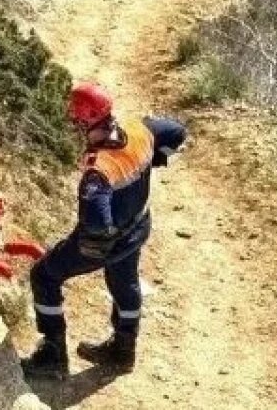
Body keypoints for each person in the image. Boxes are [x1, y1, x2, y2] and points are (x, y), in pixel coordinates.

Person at [22, 83, 187, 381]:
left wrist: (97, 241)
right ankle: (124, 351)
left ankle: (52, 355)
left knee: (44, 275)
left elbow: (97, 220)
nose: (73, 127)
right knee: (126, 283)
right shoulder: (139, 131)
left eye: (76, 121)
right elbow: (176, 132)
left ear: (85, 122)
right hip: (137, 226)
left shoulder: (98, 172)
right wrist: (156, 156)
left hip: (108, 241)